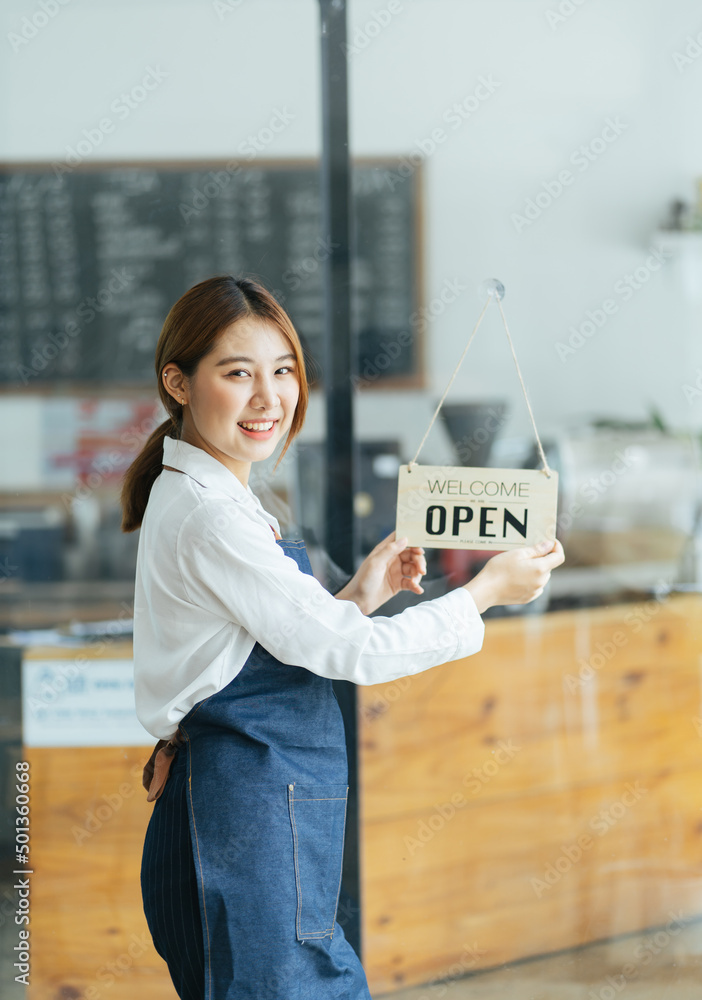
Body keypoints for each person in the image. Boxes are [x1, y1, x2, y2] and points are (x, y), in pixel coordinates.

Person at [121, 274, 564, 1000]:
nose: (270, 399)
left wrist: (363, 592)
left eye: (284, 371)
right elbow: (346, 653)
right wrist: (485, 593)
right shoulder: (212, 515)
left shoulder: (211, 494)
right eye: (238, 374)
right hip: (246, 812)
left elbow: (277, 640)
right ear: (179, 381)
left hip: (249, 807)